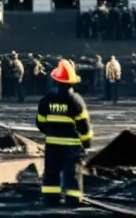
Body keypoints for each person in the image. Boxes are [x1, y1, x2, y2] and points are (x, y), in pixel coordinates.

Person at [36, 59, 92, 208]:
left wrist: (52, 132)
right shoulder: (75, 100)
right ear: (72, 82)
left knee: (51, 173)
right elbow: (83, 126)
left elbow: (40, 123)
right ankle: (73, 202)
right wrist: (86, 143)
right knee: (72, 174)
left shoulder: (47, 100)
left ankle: (50, 200)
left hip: (52, 144)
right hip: (72, 146)